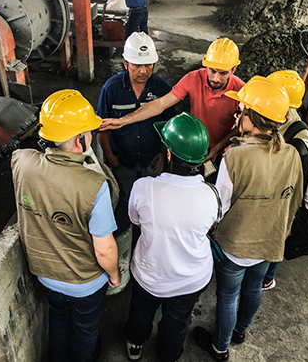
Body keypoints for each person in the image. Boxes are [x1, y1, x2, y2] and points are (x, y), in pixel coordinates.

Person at [193, 76, 308, 361]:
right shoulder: (293, 153)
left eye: (242, 110)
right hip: (270, 243)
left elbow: (219, 206)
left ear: (253, 119)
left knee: (227, 296)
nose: (237, 114)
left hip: (235, 246)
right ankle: (240, 331)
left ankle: (220, 347)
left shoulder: (235, 157)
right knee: (252, 288)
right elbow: (304, 199)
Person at [11, 89, 121, 362]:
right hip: (84, 282)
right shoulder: (94, 186)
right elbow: (105, 250)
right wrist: (115, 275)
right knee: (84, 329)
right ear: (79, 141)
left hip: (45, 274)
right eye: (88, 132)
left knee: (58, 319)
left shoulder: (21, 162)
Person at [124, 112, 219, 362]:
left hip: (150, 274)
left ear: (168, 154)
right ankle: (168, 355)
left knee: (141, 312)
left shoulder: (144, 188)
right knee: (177, 320)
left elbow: (136, 221)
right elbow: (209, 227)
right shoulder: (211, 195)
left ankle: (135, 344)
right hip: (192, 277)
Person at [100, 37, 245, 172]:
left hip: (218, 152)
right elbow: (160, 104)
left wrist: (217, 148)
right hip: (188, 148)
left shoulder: (241, 91)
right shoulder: (193, 79)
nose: (215, 78)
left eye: (223, 73)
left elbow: (244, 126)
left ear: (233, 69)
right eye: (212, 71)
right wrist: (122, 121)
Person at [97, 32, 176, 233]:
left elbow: (169, 126)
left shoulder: (162, 89)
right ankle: (125, 234)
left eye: (148, 65)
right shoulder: (111, 89)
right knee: (125, 198)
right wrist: (109, 155)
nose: (143, 71)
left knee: (151, 199)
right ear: (125, 63)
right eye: (136, 65)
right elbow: (102, 127)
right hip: (122, 161)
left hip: (151, 159)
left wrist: (162, 152)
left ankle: (146, 234)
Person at [262, 70, 308, 290]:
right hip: (285, 197)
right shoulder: (282, 123)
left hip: (293, 206)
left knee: (278, 239)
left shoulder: (300, 138)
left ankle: (267, 277)